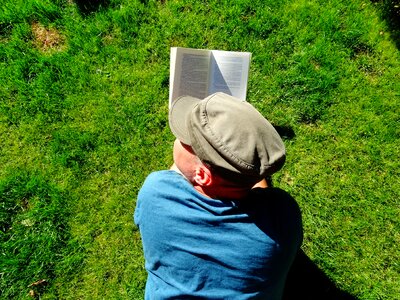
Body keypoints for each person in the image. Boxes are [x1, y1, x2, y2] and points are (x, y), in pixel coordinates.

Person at [134, 92, 303, 299]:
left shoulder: (156, 194)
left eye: (186, 138)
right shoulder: (283, 218)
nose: (178, 137)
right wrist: (246, 152)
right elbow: (260, 193)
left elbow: (178, 174)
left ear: (202, 176)